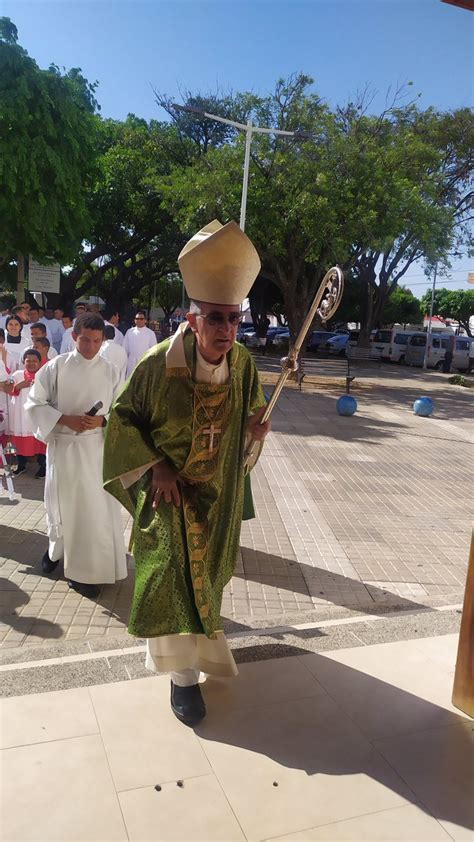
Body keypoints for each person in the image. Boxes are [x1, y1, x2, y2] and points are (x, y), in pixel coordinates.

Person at [104, 220, 270, 726]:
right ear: (193, 319)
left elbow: (248, 417)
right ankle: (182, 681)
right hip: (169, 499)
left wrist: (252, 431)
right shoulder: (157, 364)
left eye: (234, 320)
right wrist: (156, 467)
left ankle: (198, 665)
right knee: (171, 584)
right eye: (216, 319)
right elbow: (121, 419)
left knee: (209, 583)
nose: (227, 330)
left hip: (215, 496)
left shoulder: (242, 363)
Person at [25, 314, 127, 598]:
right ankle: (59, 553)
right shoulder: (55, 367)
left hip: (96, 451)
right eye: (85, 340)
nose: (91, 347)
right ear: (73, 336)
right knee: (65, 506)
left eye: (97, 341)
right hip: (65, 448)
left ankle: (83, 568)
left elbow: (124, 409)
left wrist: (104, 421)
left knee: (93, 512)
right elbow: (34, 403)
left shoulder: (111, 371)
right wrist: (63, 419)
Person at [4, 349, 47, 478]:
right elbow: (7, 388)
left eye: (34, 361)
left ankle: (43, 466)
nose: (31, 363)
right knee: (20, 442)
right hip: (20, 415)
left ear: (40, 362)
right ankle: (21, 465)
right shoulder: (17, 375)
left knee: (40, 442)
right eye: (28, 360)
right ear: (23, 361)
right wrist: (18, 386)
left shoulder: (44, 375)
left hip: (37, 415)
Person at [123, 310, 157, 377]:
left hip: (144, 362)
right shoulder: (129, 332)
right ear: (134, 320)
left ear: (145, 321)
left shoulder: (150, 333)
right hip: (131, 362)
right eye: (137, 319)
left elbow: (154, 349)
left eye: (141, 319)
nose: (139, 320)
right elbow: (125, 348)